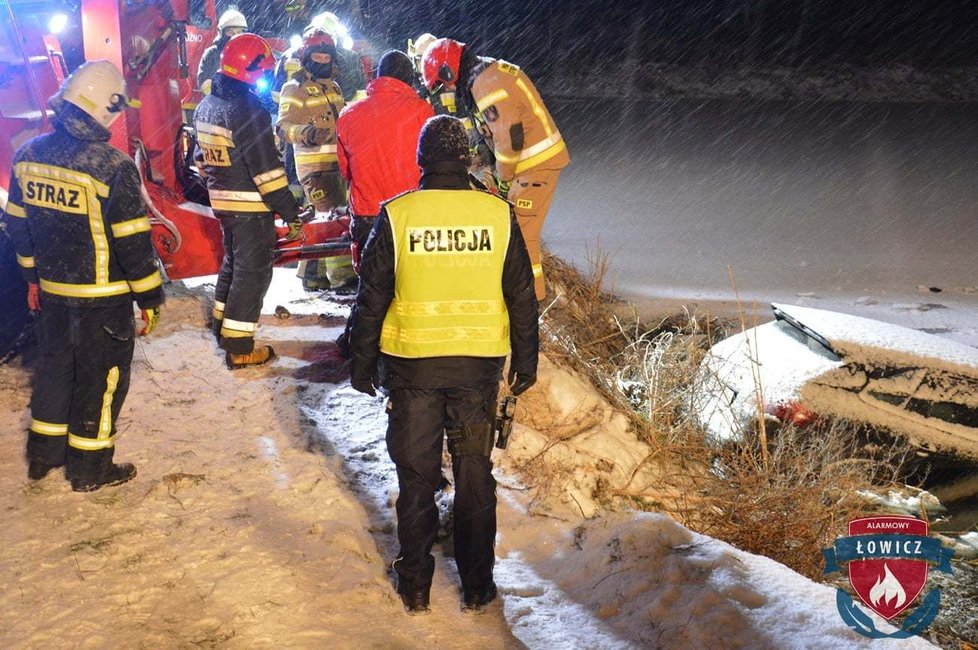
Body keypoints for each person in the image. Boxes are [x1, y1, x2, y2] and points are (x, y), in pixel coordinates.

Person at [349, 115, 539, 614]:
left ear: (421, 159)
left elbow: (371, 299)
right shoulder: (497, 215)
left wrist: (362, 363)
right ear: (468, 158)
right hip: (477, 369)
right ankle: (478, 585)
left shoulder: (398, 215)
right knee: (475, 474)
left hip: (413, 368)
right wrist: (526, 361)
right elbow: (522, 295)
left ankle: (415, 585)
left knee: (416, 478)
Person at [2, 61, 164, 492]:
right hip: (103, 300)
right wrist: (150, 298)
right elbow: (133, 243)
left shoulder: (27, 155)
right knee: (103, 377)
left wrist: (33, 276)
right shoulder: (112, 166)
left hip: (54, 294)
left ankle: (44, 457)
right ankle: (90, 469)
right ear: (107, 109)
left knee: (55, 369)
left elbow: (19, 226)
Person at [422, 38, 570, 302]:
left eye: (444, 82)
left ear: (449, 70)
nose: (448, 87)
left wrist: (503, 179)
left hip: (534, 166)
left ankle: (531, 303)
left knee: (523, 237)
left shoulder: (486, 84)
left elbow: (509, 137)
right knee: (516, 231)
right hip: (529, 164)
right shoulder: (486, 73)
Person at [194, 33, 301, 369]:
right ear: (253, 71)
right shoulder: (249, 111)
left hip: (223, 202)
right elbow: (267, 171)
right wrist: (291, 212)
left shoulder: (207, 105)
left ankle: (222, 324)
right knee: (252, 274)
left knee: (234, 264)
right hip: (250, 206)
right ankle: (239, 346)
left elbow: (201, 157)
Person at [336, 49, 433, 269]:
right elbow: (432, 162)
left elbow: (345, 171)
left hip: (367, 216)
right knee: (411, 281)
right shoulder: (423, 111)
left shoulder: (348, 115)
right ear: (409, 78)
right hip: (411, 213)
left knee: (372, 286)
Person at [277, 28, 355, 291]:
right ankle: (343, 277)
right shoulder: (294, 88)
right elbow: (282, 128)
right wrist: (308, 133)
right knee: (333, 218)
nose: (322, 61)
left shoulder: (334, 87)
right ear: (306, 56)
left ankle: (313, 274)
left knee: (326, 219)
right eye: (317, 56)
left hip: (337, 165)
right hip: (313, 166)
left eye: (326, 57)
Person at [196, 8, 248, 94]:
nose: (235, 36)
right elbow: (204, 83)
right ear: (222, 33)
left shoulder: (249, 55)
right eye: (230, 32)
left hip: (245, 102)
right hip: (218, 103)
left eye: (239, 32)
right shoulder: (212, 54)